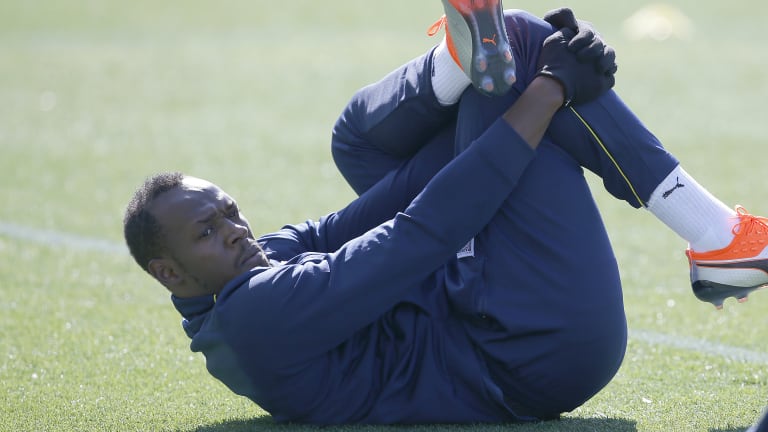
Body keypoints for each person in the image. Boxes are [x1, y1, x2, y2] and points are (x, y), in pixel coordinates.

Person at [123, 2, 767, 425]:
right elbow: (420, 233)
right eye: (207, 232)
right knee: (514, 65)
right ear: (170, 273)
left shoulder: (250, 272)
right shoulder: (257, 313)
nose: (234, 228)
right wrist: (551, 85)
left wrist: (526, 75)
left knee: (356, 137)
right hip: (536, 352)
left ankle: (466, 63)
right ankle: (718, 238)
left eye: (229, 211)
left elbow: (395, 194)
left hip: (482, 307)